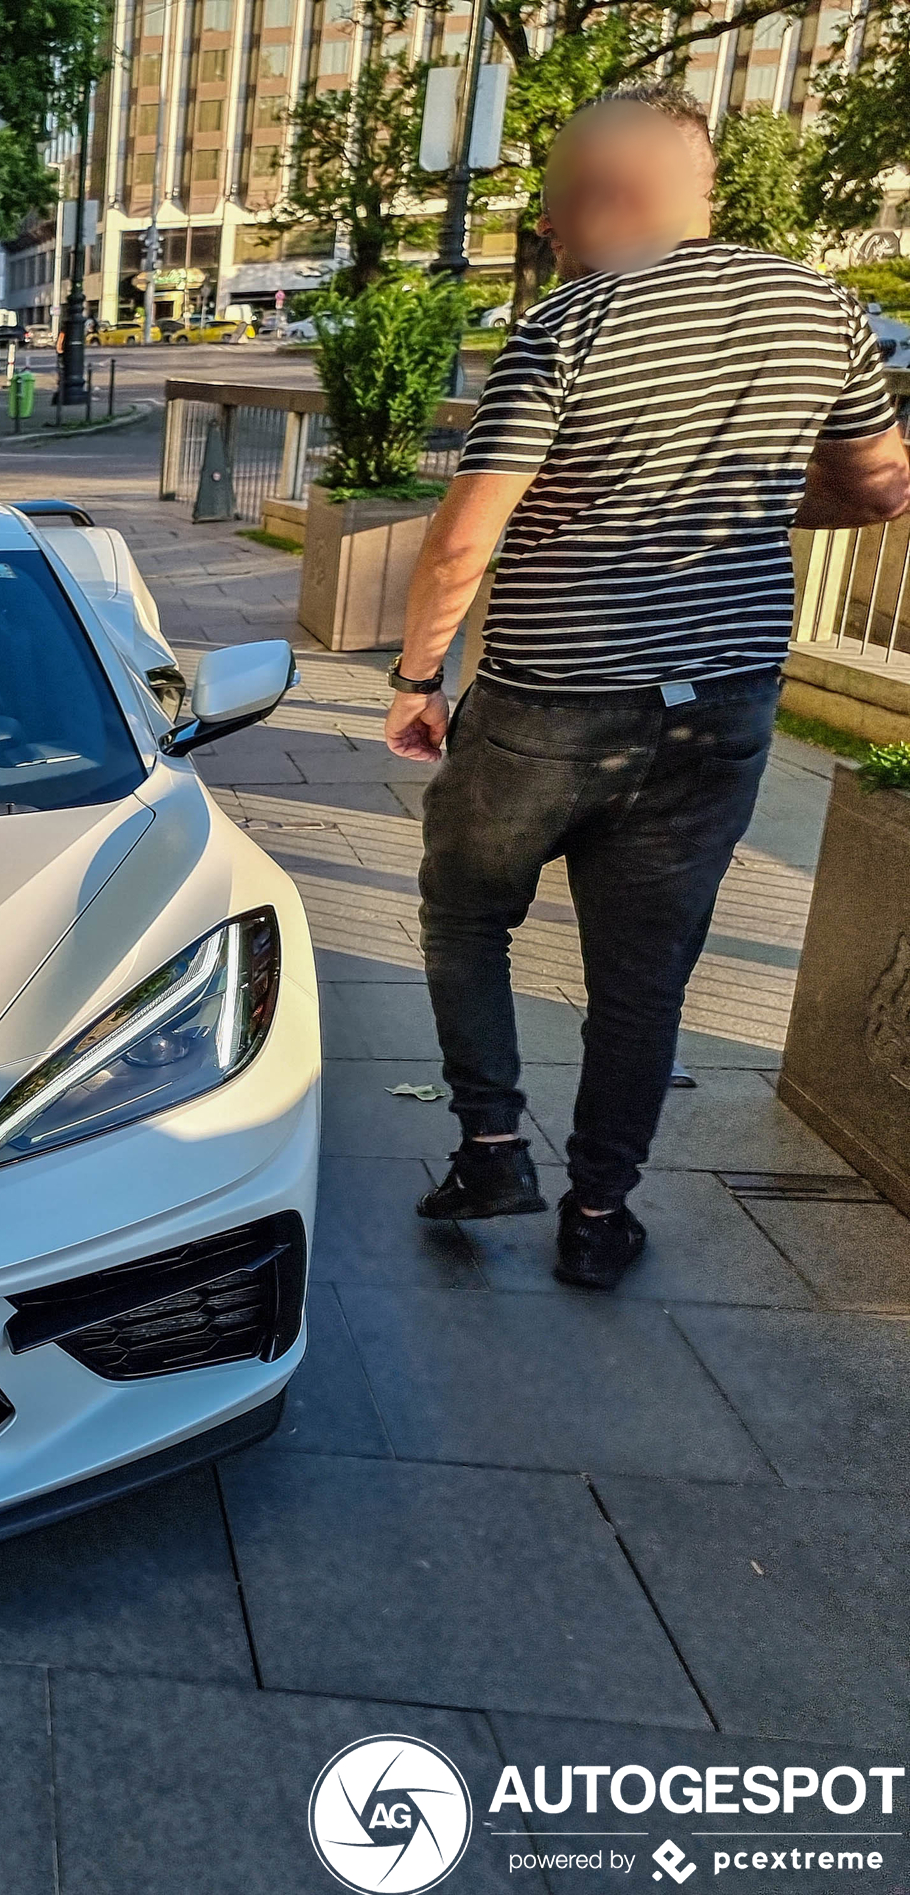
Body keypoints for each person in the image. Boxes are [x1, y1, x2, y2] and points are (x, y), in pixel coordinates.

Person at [384, 83, 910, 1288]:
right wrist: (750, 515)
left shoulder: (568, 324)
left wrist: (418, 678)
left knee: (466, 912)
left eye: (556, 209)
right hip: (716, 708)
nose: (551, 234)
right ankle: (596, 1216)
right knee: (642, 973)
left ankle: (490, 1147)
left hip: (543, 711)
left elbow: (465, 534)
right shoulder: (819, 308)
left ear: (598, 200)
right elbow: (880, 488)